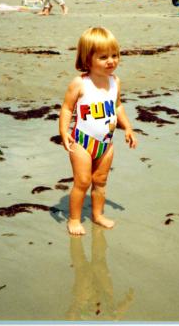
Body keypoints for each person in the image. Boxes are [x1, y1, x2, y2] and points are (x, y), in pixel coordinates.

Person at [59, 27, 137, 235]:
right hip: (82, 141)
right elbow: (66, 108)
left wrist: (128, 127)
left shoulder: (115, 82)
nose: (111, 61)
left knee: (101, 181)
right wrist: (63, 131)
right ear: (88, 58)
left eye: (115, 55)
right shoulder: (80, 83)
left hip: (106, 142)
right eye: (103, 57)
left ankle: (98, 214)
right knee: (83, 181)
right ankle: (74, 219)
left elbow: (118, 106)